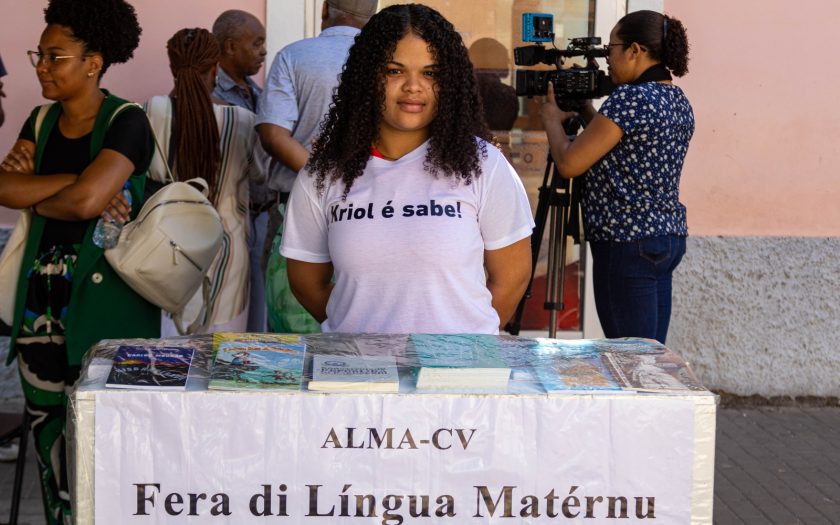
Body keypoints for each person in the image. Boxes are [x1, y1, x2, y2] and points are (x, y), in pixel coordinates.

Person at [280, 4, 534, 334]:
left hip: (455, 375)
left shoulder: (483, 165)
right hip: (359, 377)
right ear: (367, 77)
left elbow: (511, 279)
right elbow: (307, 283)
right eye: (394, 71)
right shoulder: (324, 173)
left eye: (430, 73)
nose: (414, 86)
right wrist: (361, 331)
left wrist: (459, 347)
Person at [0, 0, 158, 521]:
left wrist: (40, 192)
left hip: (110, 304)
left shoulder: (128, 120)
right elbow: (6, 187)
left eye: (54, 56)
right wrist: (83, 183)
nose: (41, 66)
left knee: (110, 435)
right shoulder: (39, 119)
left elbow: (89, 204)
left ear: (94, 61)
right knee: (49, 433)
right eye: (38, 56)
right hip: (40, 305)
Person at [539, 10, 694, 344]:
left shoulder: (628, 99)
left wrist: (551, 119)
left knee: (629, 357)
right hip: (664, 237)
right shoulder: (677, 100)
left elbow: (568, 163)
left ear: (635, 50)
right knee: (649, 353)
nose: (607, 59)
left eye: (612, 48)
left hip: (626, 241)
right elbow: (620, 146)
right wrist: (586, 111)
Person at [256, 0, 376, 331]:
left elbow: (272, 135)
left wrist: (322, 179)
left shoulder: (294, 57)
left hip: (295, 209)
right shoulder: (386, 63)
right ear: (373, 16)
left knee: (291, 331)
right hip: (372, 213)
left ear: (324, 9)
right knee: (362, 329)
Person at [145, 28, 260, 335]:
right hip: (228, 257)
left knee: (167, 366)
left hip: (163, 256)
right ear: (215, 69)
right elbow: (261, 175)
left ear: (172, 68)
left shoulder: (148, 111)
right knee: (223, 366)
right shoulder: (243, 121)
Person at [211, 9, 271, 332]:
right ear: (231, 46)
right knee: (226, 315)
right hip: (227, 221)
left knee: (259, 318)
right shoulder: (208, 96)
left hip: (262, 217)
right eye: (257, 43)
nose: (263, 51)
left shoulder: (260, 95)